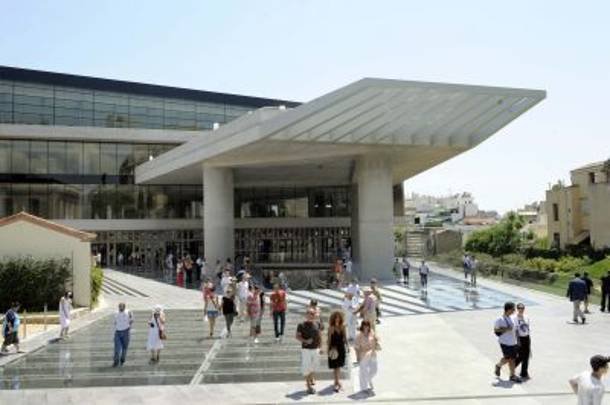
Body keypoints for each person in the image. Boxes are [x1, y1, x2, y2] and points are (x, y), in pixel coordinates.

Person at [493, 302, 522, 383]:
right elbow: (495, 330)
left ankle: (500, 366)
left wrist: (518, 340)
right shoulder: (500, 319)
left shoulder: (512, 318)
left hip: (513, 342)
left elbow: (515, 329)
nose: (514, 310)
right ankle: (511, 375)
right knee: (509, 358)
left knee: (511, 358)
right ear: (508, 309)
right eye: (513, 309)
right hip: (504, 342)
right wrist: (506, 329)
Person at [296, 308, 322, 395]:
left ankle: (311, 377)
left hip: (316, 349)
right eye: (309, 313)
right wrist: (306, 341)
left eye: (312, 313)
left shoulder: (317, 323)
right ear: (306, 315)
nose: (311, 315)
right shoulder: (301, 325)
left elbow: (320, 336)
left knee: (315, 365)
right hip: (306, 350)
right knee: (306, 367)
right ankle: (308, 386)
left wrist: (321, 347)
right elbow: (297, 336)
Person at [354, 320, 378, 394]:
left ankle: (369, 379)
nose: (366, 327)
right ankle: (364, 388)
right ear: (362, 326)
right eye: (365, 325)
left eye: (367, 325)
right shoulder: (359, 335)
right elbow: (356, 348)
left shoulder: (372, 332)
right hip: (363, 355)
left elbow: (376, 340)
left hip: (372, 353)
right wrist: (357, 357)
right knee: (363, 372)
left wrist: (376, 340)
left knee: (374, 370)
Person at [327, 310, 348, 392]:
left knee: (339, 366)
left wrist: (347, 346)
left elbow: (345, 337)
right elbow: (329, 339)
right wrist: (328, 349)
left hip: (341, 348)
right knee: (335, 366)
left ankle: (337, 381)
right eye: (336, 318)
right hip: (334, 348)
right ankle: (337, 382)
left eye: (338, 318)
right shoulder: (331, 328)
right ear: (333, 319)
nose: (337, 319)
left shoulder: (343, 326)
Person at [514, 303, 531, 380]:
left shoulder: (526, 317)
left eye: (522, 308)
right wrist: (517, 341)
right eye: (519, 308)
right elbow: (515, 330)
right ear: (517, 309)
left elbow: (528, 327)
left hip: (527, 338)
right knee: (520, 356)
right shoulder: (515, 318)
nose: (521, 310)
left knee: (526, 356)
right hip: (520, 338)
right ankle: (512, 367)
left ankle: (524, 372)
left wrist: (528, 337)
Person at [113, 302, 133, 367]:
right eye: (119, 307)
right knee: (117, 348)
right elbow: (115, 322)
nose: (120, 308)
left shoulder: (128, 312)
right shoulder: (116, 313)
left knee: (124, 347)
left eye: (122, 307)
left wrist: (129, 326)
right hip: (118, 332)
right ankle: (116, 361)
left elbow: (131, 320)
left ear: (124, 307)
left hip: (126, 332)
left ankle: (122, 359)